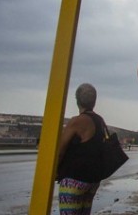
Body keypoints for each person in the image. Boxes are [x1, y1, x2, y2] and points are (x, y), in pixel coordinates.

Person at [56, 83, 107, 215]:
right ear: (94, 101)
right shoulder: (100, 121)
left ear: (78, 100)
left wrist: (54, 172)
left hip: (74, 179)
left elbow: (60, 151)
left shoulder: (77, 121)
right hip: (93, 180)